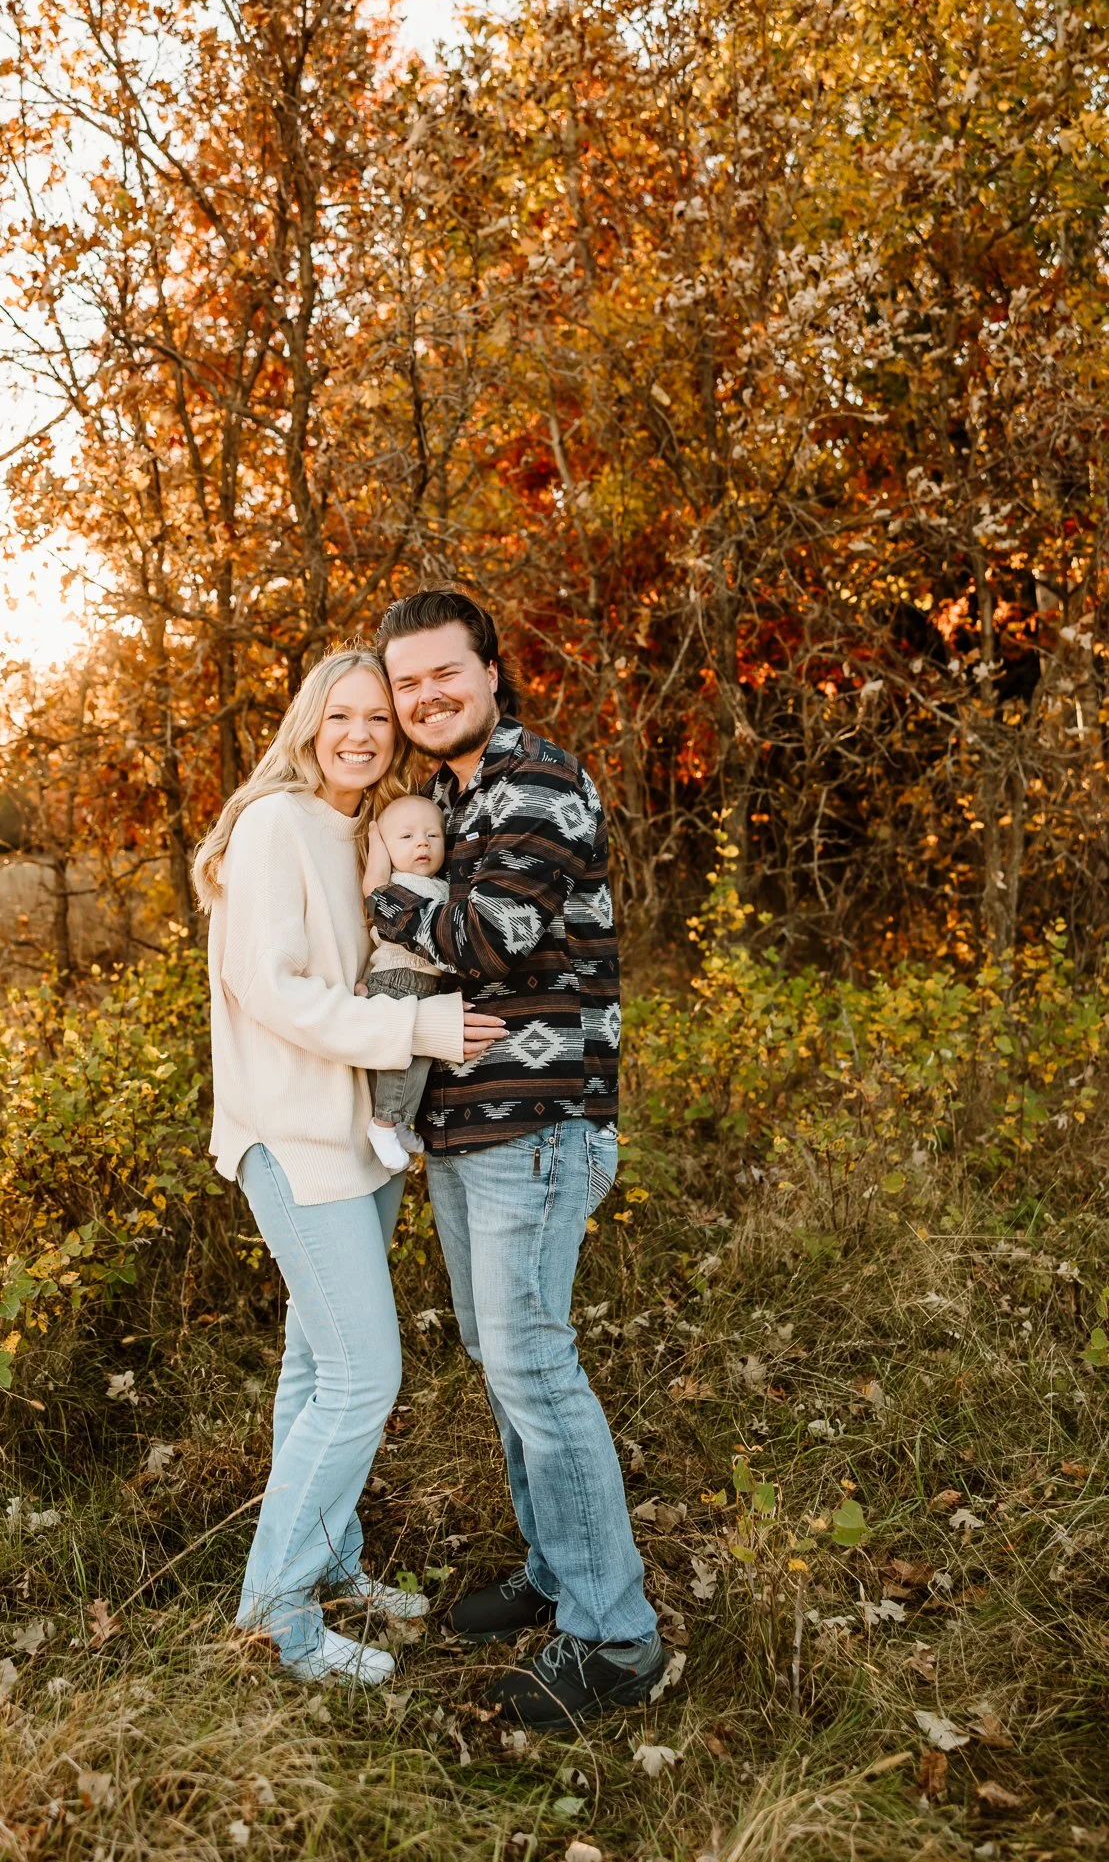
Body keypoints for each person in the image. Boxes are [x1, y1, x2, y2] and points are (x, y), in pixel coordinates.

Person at [365, 589, 669, 1727]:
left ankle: (615, 1636)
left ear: (492, 671)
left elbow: (495, 937)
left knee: (534, 1365)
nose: (426, 695)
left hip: (537, 1122)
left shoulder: (533, 780)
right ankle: (556, 1568)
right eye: (407, 682)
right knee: (502, 1360)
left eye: (446, 672)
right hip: (469, 1122)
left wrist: (384, 896)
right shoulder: (451, 796)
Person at [193, 648, 507, 1684]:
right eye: (342, 716)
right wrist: (417, 1028)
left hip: (357, 1138)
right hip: (293, 1139)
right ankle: (275, 1616)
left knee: (317, 1370)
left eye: (378, 717)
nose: (362, 734)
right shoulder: (275, 823)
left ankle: (328, 1563)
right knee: (365, 1375)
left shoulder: (367, 831)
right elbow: (271, 989)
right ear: (309, 724)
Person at [362, 793, 451, 1174]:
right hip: (400, 977)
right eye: (407, 837)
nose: (422, 844)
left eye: (433, 835)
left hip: (424, 982)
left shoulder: (440, 885)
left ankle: (400, 1121)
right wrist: (376, 850)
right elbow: (373, 890)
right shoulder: (395, 884)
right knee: (399, 1058)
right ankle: (382, 1123)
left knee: (420, 1057)